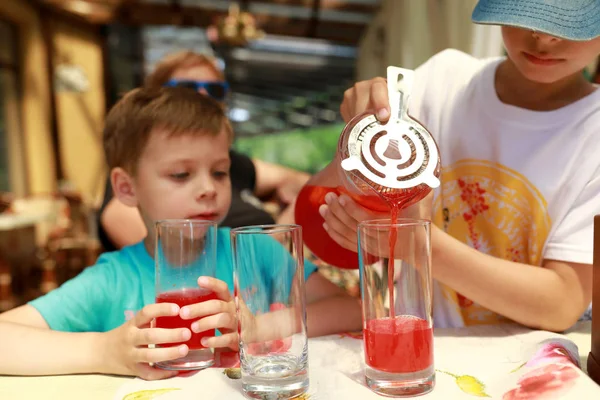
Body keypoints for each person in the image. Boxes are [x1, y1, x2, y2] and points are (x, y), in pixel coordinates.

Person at [0, 87, 361, 379]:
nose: (208, 188)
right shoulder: (114, 278)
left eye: (220, 172)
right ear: (126, 188)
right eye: (180, 175)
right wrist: (104, 351)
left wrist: (257, 326)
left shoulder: (255, 252)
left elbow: (352, 309)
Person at [312, 0, 600, 332]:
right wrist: (360, 132)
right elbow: (322, 210)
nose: (545, 38)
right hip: (429, 350)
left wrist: (418, 243)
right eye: (529, 15)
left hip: (542, 364)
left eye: (569, 23)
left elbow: (561, 303)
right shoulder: (442, 82)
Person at [99, 50, 310, 252]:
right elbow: (173, 261)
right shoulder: (143, 170)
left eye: (214, 89)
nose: (202, 96)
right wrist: (273, 243)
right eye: (186, 87)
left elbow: (299, 180)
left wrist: (289, 201)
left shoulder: (234, 162)